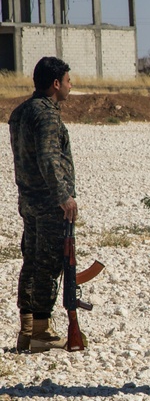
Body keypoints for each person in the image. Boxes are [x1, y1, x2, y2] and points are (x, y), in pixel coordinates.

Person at [9, 57, 77, 353]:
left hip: (29, 199)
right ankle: (42, 330)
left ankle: (27, 329)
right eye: (68, 81)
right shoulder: (46, 114)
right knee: (48, 265)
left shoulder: (21, 111)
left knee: (32, 260)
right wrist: (64, 196)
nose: (71, 86)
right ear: (56, 83)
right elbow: (49, 159)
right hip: (49, 201)